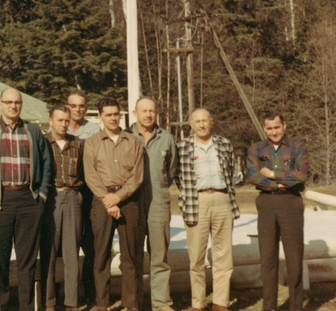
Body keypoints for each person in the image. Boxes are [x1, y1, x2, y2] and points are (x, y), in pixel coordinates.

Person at [0, 87, 51, 311]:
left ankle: (26, 307)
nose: (13, 106)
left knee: (27, 262)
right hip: (0, 202)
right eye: (8, 102)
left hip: (29, 201)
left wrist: (43, 195)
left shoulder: (33, 130)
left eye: (17, 102)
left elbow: (46, 164)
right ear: (0, 104)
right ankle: (1, 307)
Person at [175, 108, 240, 311]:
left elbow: (231, 172)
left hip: (222, 199)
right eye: (197, 121)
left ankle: (221, 303)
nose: (201, 125)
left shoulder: (224, 144)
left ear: (212, 122)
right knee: (196, 258)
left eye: (205, 120)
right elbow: (178, 176)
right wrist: (190, 194)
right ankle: (198, 304)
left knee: (223, 256)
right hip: (197, 202)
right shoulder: (182, 147)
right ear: (191, 125)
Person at [83, 97, 144, 311]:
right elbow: (91, 175)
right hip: (101, 201)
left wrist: (119, 198)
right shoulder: (91, 143)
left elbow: (137, 176)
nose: (113, 118)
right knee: (100, 255)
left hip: (129, 201)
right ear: (100, 117)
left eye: (116, 114)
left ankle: (131, 304)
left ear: (121, 115)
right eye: (108, 115)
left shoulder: (133, 141)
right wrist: (108, 201)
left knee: (131, 255)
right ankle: (102, 303)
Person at [247, 111, 309, 311]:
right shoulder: (256, 148)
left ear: (284, 125)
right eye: (269, 128)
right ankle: (269, 307)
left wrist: (272, 174)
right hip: (265, 204)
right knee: (268, 260)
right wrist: (283, 181)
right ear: (264, 128)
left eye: (277, 127)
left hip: (291, 204)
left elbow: (301, 176)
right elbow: (254, 177)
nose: (273, 132)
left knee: (294, 261)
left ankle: (296, 307)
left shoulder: (298, 147)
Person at [127, 97, 178, 311]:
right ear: (134, 112)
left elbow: (172, 170)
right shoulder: (125, 137)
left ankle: (161, 303)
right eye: (143, 111)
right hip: (132, 204)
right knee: (133, 256)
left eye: (152, 111)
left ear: (157, 113)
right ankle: (135, 303)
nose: (148, 114)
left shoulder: (166, 138)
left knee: (159, 257)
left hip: (158, 203)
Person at [40, 105, 84, 311]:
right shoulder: (43, 143)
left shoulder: (77, 144)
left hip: (73, 197)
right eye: (59, 120)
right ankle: (49, 302)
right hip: (51, 199)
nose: (63, 124)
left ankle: (71, 303)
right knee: (49, 251)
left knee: (71, 253)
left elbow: (84, 172)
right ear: (50, 121)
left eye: (66, 120)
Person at [66, 90, 101, 302]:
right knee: (64, 245)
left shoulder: (94, 130)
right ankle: (63, 295)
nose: (77, 109)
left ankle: (90, 295)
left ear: (86, 108)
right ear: (67, 106)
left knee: (90, 244)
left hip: (88, 192)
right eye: (73, 105)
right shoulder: (62, 126)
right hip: (67, 191)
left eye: (81, 106)